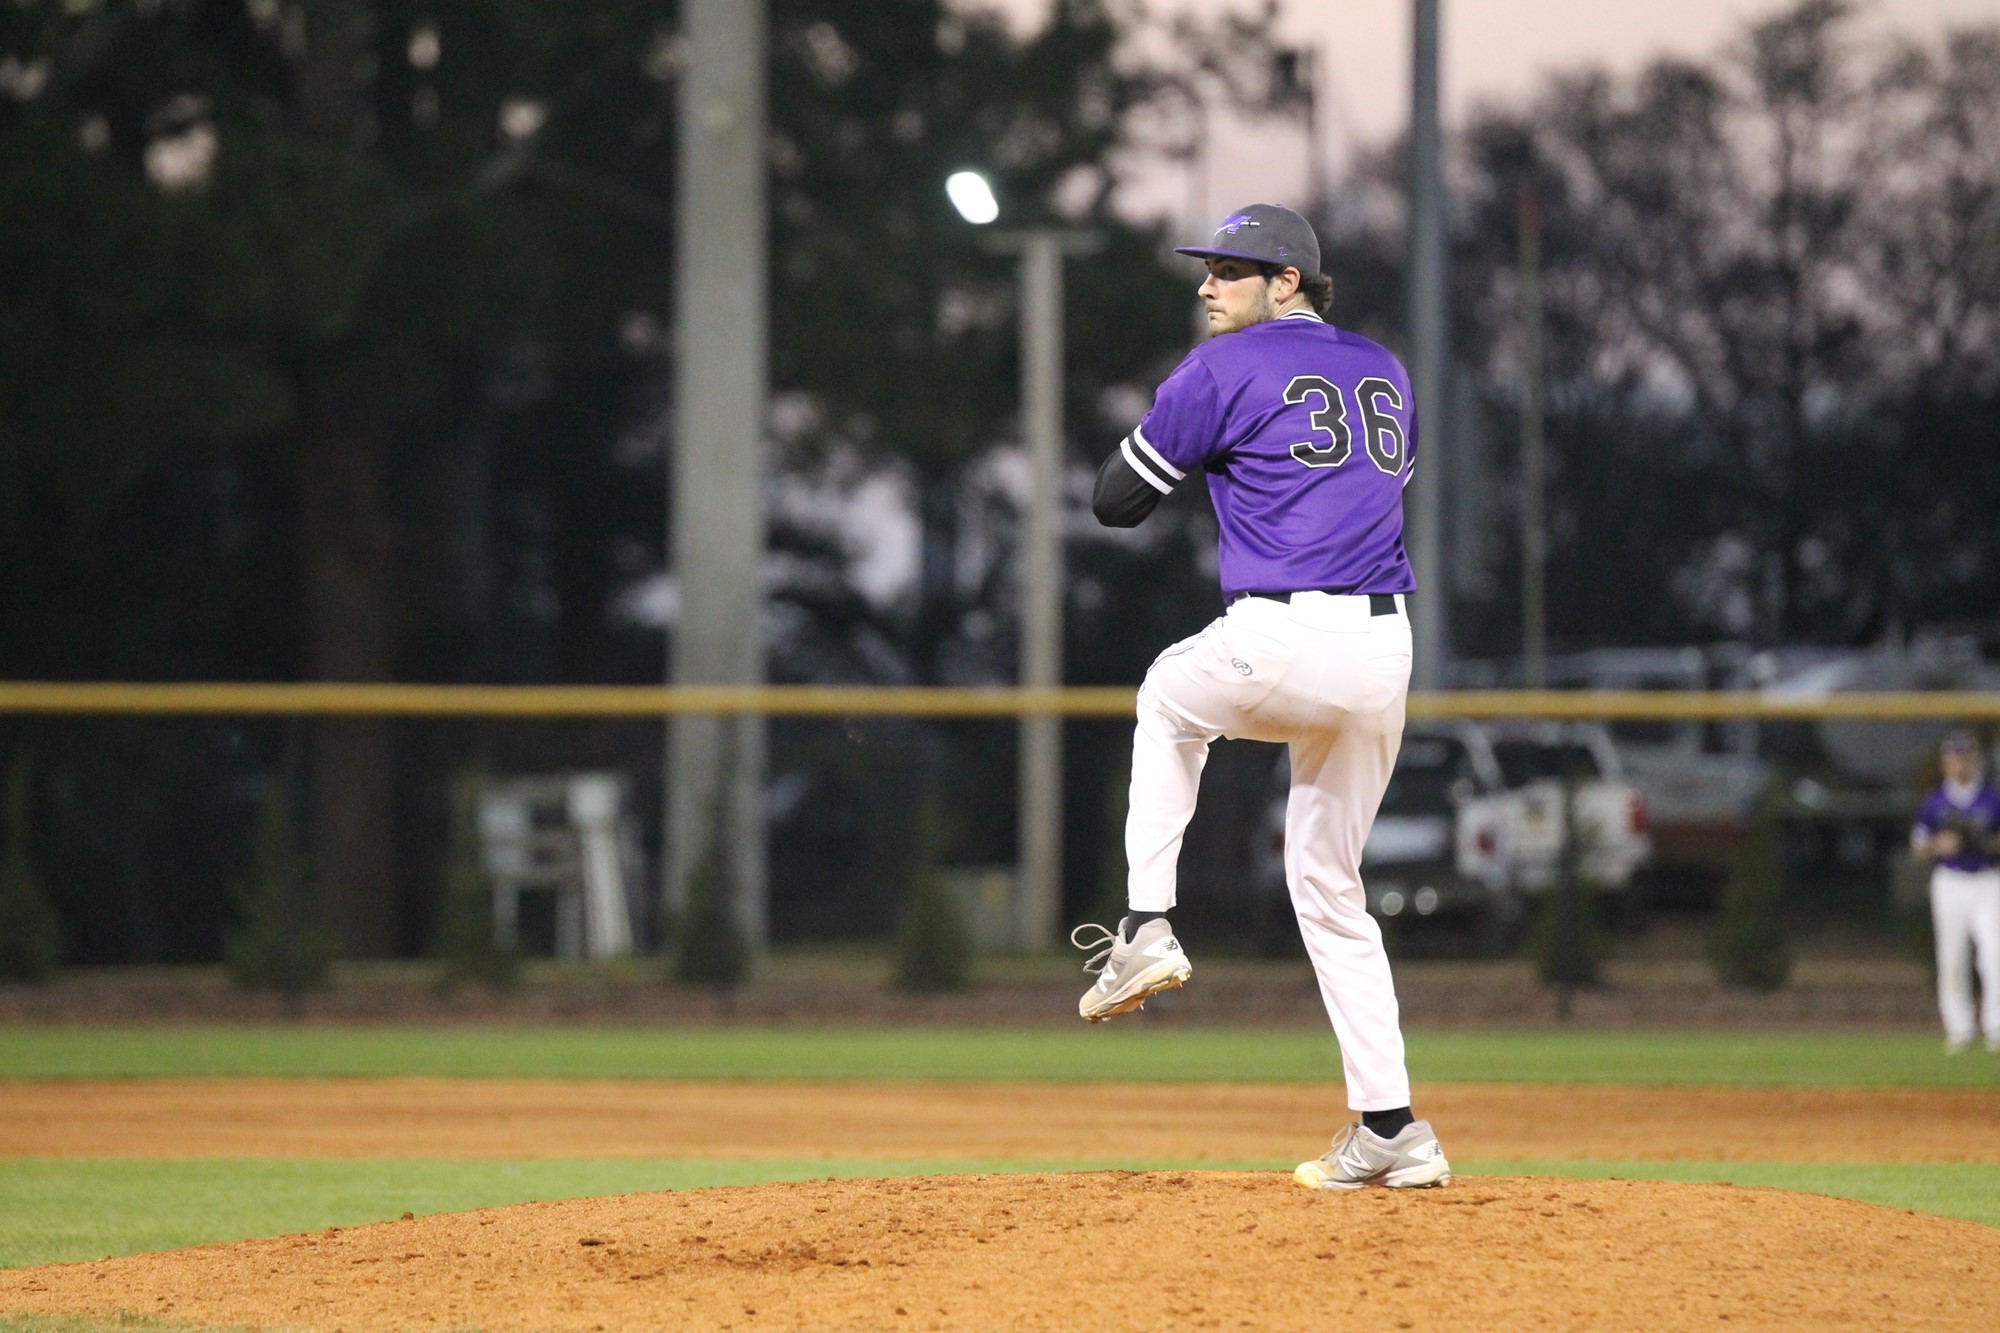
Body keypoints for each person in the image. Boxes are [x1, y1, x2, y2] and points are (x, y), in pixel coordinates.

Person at [1070, 203, 1450, 1190]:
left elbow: (1115, 502)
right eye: (1208, 269)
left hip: (1284, 632)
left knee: (1163, 697)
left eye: (1232, 271)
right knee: (1328, 886)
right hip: (1382, 652)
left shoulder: (1220, 368)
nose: (1208, 286)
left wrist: (1172, 427)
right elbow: (1357, 482)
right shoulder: (1386, 370)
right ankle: (1393, 1129)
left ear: (1288, 284)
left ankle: (1144, 925)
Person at [1910, 730, 2000, 1054]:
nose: (1959, 764)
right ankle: (1959, 1029)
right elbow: (1918, 846)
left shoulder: (1992, 797)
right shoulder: (1936, 800)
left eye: (1964, 757)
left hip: (1987, 879)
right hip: (1950, 881)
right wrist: (1939, 844)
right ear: (1945, 763)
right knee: (1952, 958)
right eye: (1953, 758)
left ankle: (1996, 1027)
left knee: (1995, 955)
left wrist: (1984, 842)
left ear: (1973, 759)